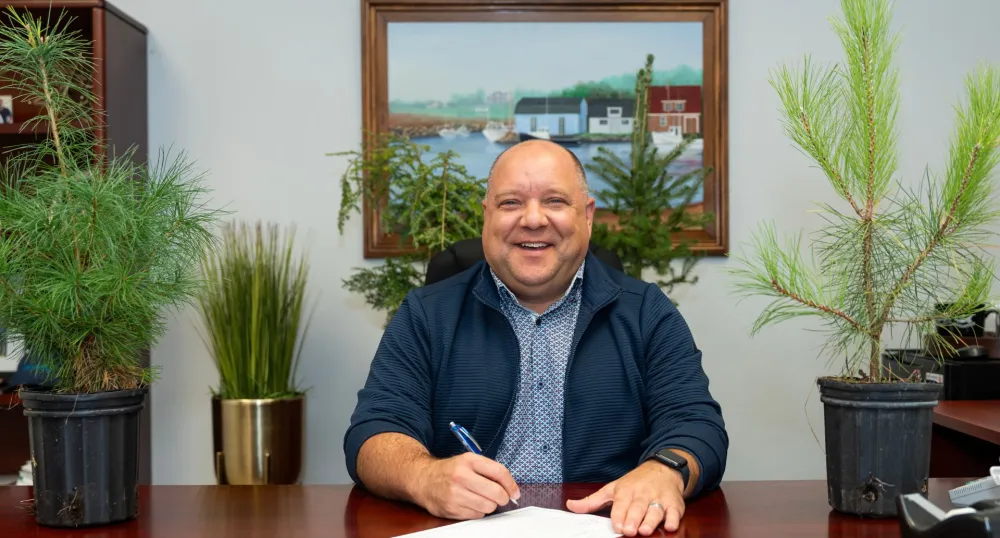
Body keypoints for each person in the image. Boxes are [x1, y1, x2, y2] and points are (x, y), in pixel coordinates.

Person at [343, 139, 728, 537]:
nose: (532, 219)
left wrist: (664, 470)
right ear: (486, 216)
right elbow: (373, 434)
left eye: (555, 201)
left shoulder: (646, 312)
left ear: (588, 216)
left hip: (607, 527)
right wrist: (425, 477)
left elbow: (697, 424)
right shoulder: (427, 314)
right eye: (510, 203)